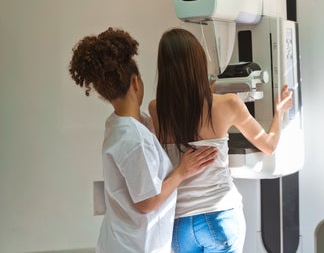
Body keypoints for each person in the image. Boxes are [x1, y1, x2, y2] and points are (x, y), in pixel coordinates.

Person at [68, 27, 217, 253]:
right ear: (136, 82)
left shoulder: (119, 124)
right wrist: (182, 170)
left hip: (121, 241)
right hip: (137, 246)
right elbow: (147, 202)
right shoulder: (134, 139)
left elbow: (147, 131)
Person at [149, 28, 293, 253]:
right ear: (198, 65)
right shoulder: (227, 104)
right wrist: (279, 112)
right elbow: (269, 145)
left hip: (179, 226)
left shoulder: (156, 109)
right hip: (220, 217)